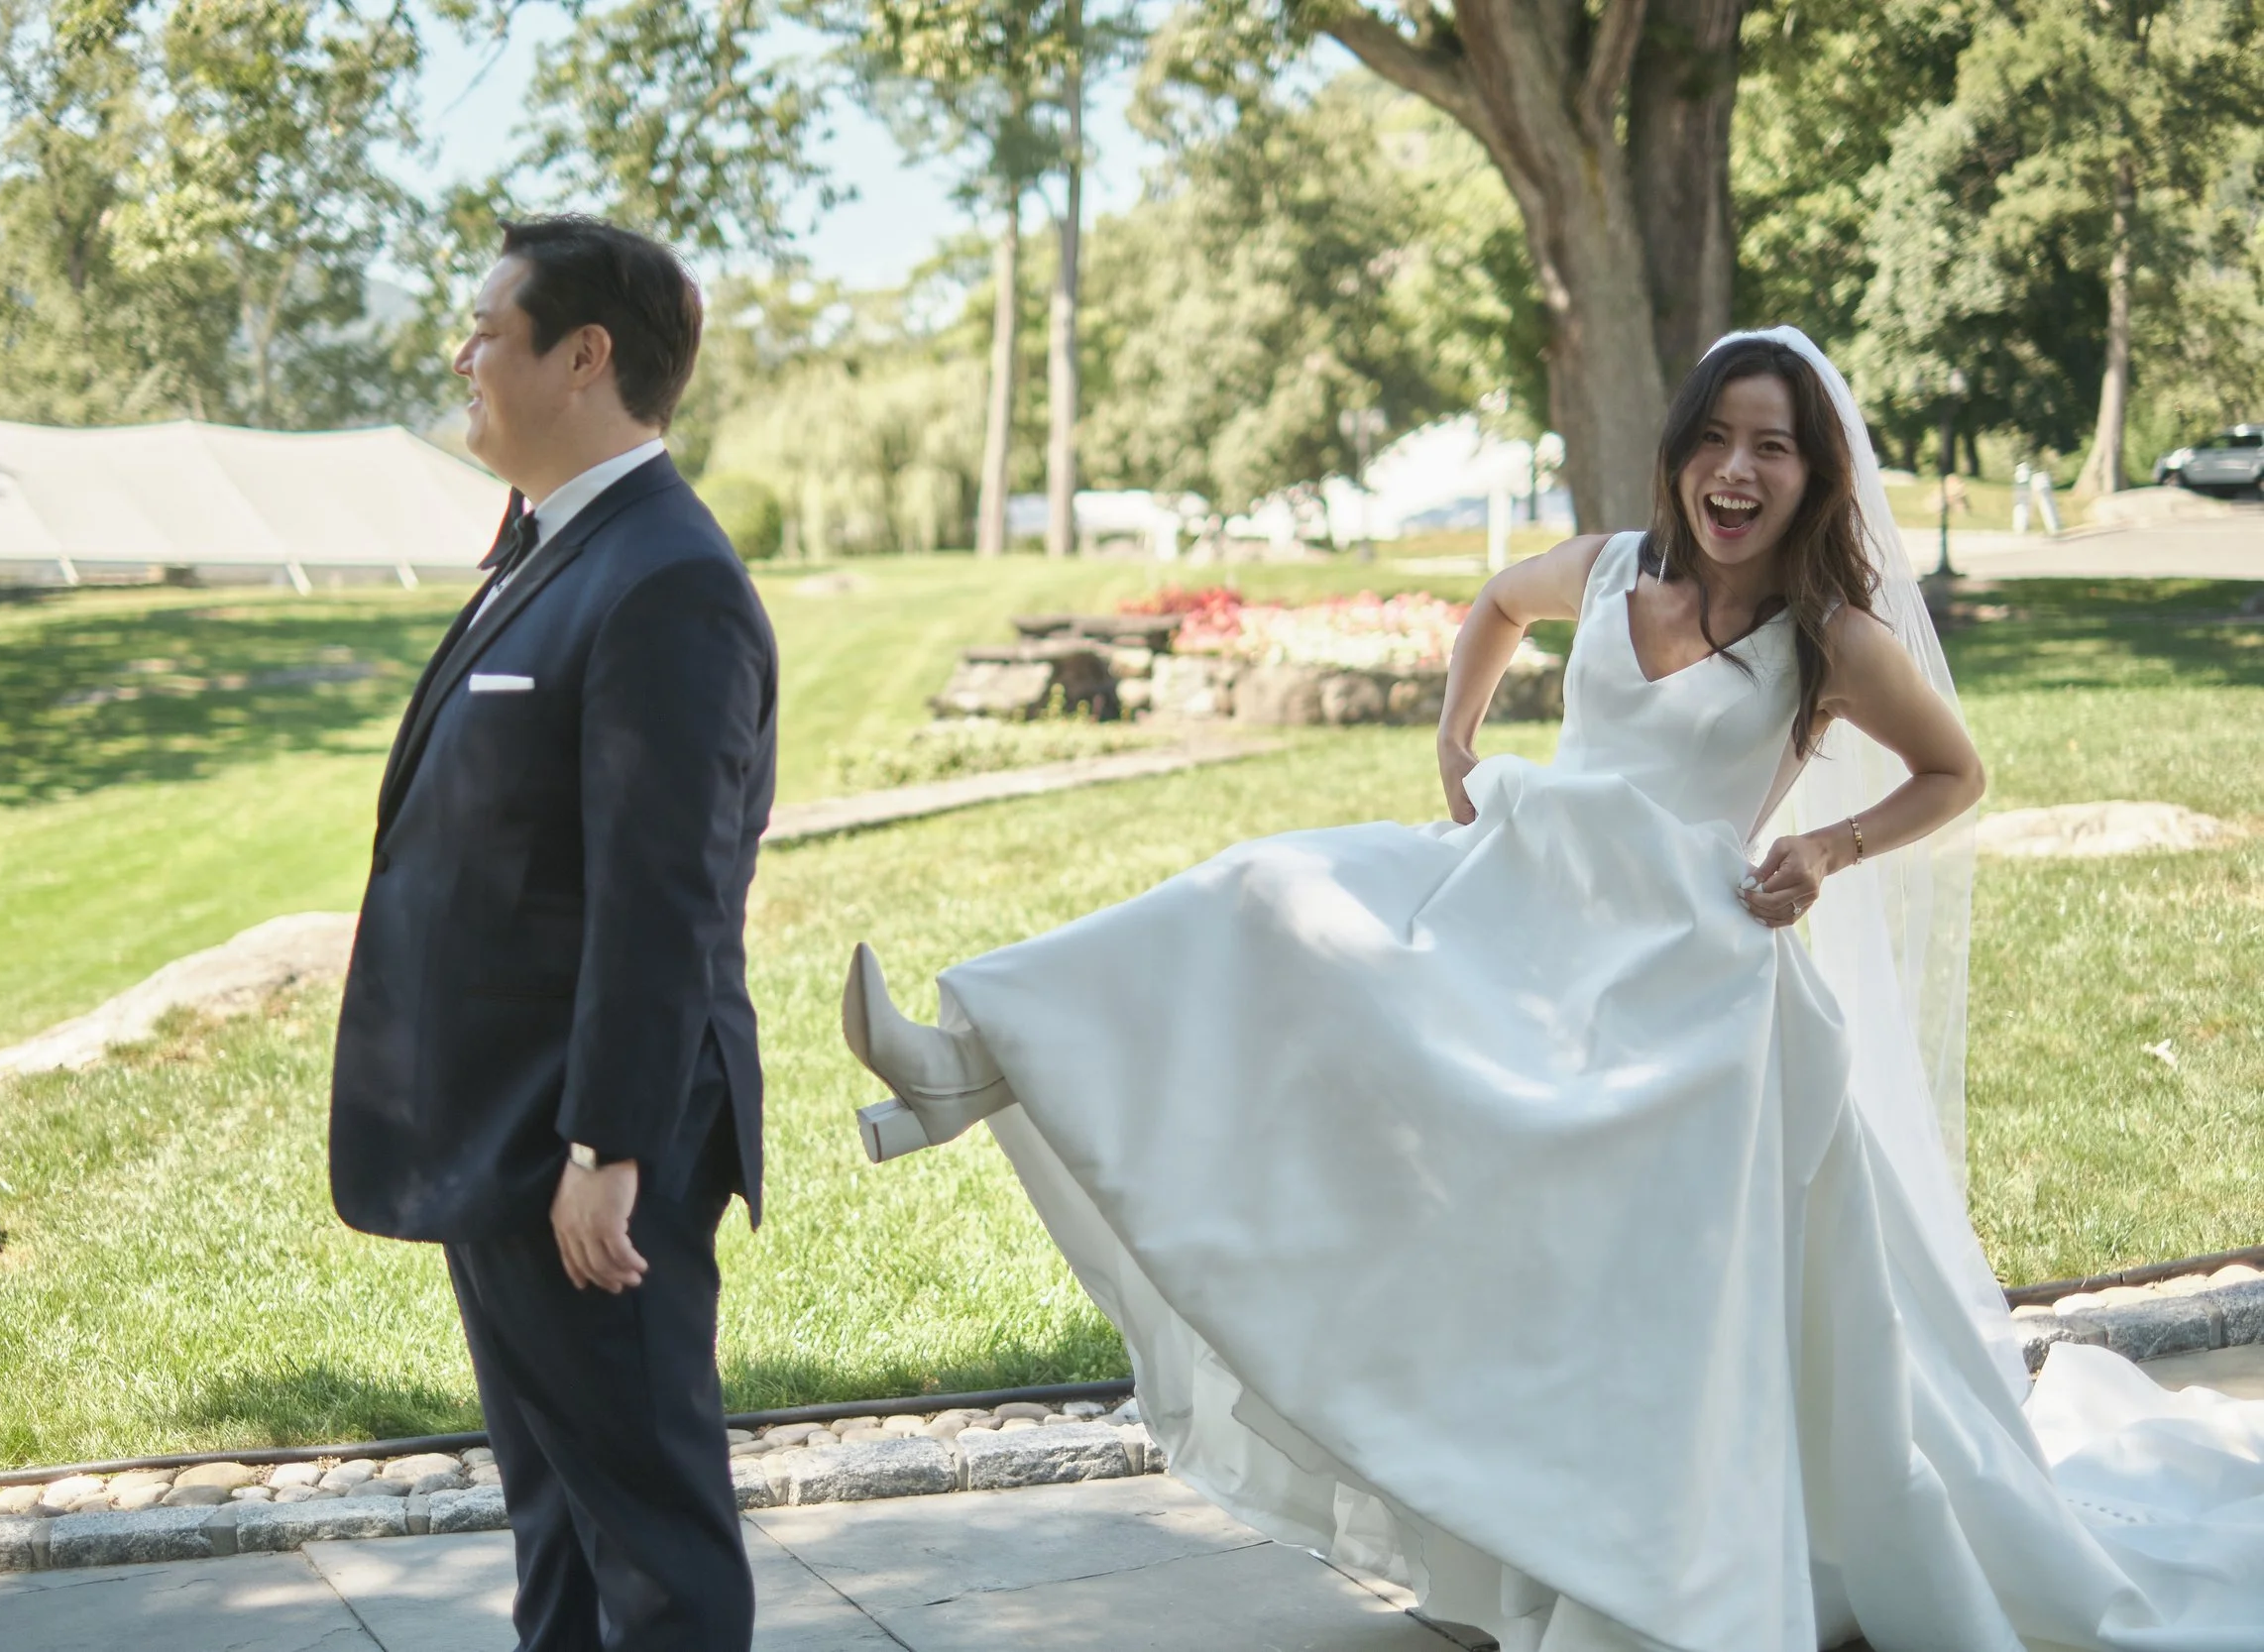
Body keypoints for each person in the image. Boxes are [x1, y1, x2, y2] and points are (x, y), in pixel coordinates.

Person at [842, 330, 2264, 1650]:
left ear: (1812, 475)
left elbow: (1958, 772)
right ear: (1680, 453)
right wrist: (1455, 740)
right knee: (1257, 899)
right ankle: (970, 1051)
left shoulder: (1827, 635)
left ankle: (1597, 1558)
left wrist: (1826, 843)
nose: (1736, 470)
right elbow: (1490, 605)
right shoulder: (1601, 570)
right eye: (1714, 439)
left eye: (1771, 446)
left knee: (1603, 1295)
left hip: (1680, 989)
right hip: (1519, 905)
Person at [328, 214, 776, 1652]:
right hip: (512, 1132)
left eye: (486, 330)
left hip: (588, 1147)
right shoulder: (556, 548)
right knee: (565, 1532)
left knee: (651, 1542)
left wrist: (611, 1145)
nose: (461, 354)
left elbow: (667, 893)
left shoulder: (668, 579)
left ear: (584, 357)